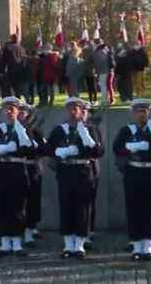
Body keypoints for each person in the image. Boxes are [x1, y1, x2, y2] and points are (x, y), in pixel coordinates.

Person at [44, 97, 104, 258]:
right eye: (70, 109)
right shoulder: (59, 130)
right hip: (65, 172)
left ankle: (79, 245)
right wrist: (59, 152)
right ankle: (68, 244)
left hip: (84, 172)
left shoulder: (90, 129)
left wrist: (85, 140)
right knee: (66, 207)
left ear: (81, 111)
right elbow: (48, 149)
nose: (72, 112)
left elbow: (99, 152)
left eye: (75, 109)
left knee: (82, 209)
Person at [112, 99, 151, 261]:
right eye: (138, 111)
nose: (142, 114)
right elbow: (117, 148)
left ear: (148, 113)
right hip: (134, 172)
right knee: (134, 208)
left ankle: (148, 246)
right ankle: (136, 246)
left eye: (144, 111)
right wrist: (131, 147)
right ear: (133, 114)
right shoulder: (126, 131)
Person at [0, 97, 35, 257]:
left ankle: (16, 241)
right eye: (6, 108)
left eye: (12, 109)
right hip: (2, 170)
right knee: (3, 205)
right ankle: (4, 242)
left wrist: (17, 149)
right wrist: (1, 148)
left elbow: (30, 150)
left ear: (18, 111)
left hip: (18, 169)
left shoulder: (24, 129)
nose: (8, 112)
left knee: (18, 206)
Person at [19, 103, 46, 247]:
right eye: (20, 112)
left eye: (24, 112)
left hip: (33, 167)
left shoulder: (35, 130)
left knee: (33, 200)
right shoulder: (13, 130)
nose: (21, 114)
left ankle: (31, 229)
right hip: (17, 168)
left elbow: (44, 149)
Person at [1, 34, 28, 100]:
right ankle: (18, 101)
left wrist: (2, 70)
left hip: (11, 70)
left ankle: (10, 102)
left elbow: (4, 60)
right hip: (20, 71)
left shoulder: (8, 47)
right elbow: (25, 59)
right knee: (18, 89)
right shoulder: (22, 48)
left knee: (8, 88)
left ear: (11, 39)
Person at [92, 41, 115, 106]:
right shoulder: (107, 51)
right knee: (107, 86)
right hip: (108, 71)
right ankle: (107, 99)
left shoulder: (99, 53)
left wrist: (96, 71)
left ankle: (105, 100)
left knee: (103, 86)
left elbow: (97, 63)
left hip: (103, 71)